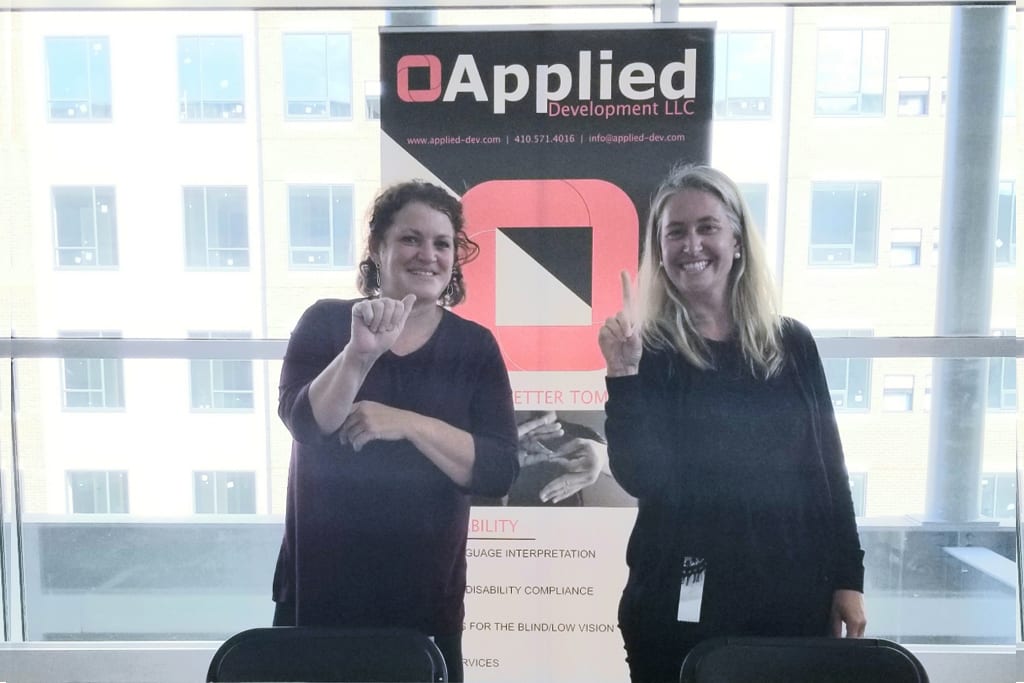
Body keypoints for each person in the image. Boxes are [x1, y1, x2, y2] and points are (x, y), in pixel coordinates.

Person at [598, 165, 866, 683]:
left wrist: (848, 578)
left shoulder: (791, 343)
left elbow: (828, 472)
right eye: (675, 232)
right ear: (659, 249)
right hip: (683, 587)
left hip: (791, 596)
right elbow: (639, 477)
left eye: (707, 227)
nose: (691, 244)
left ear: (737, 241)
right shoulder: (647, 350)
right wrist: (623, 374)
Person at [272, 180, 519, 682]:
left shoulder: (474, 348)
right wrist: (358, 356)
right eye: (410, 239)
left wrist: (407, 423)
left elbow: (498, 471)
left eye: (442, 243)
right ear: (378, 249)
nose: (427, 254)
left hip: (425, 604)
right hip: (320, 595)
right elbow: (304, 422)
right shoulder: (325, 323)